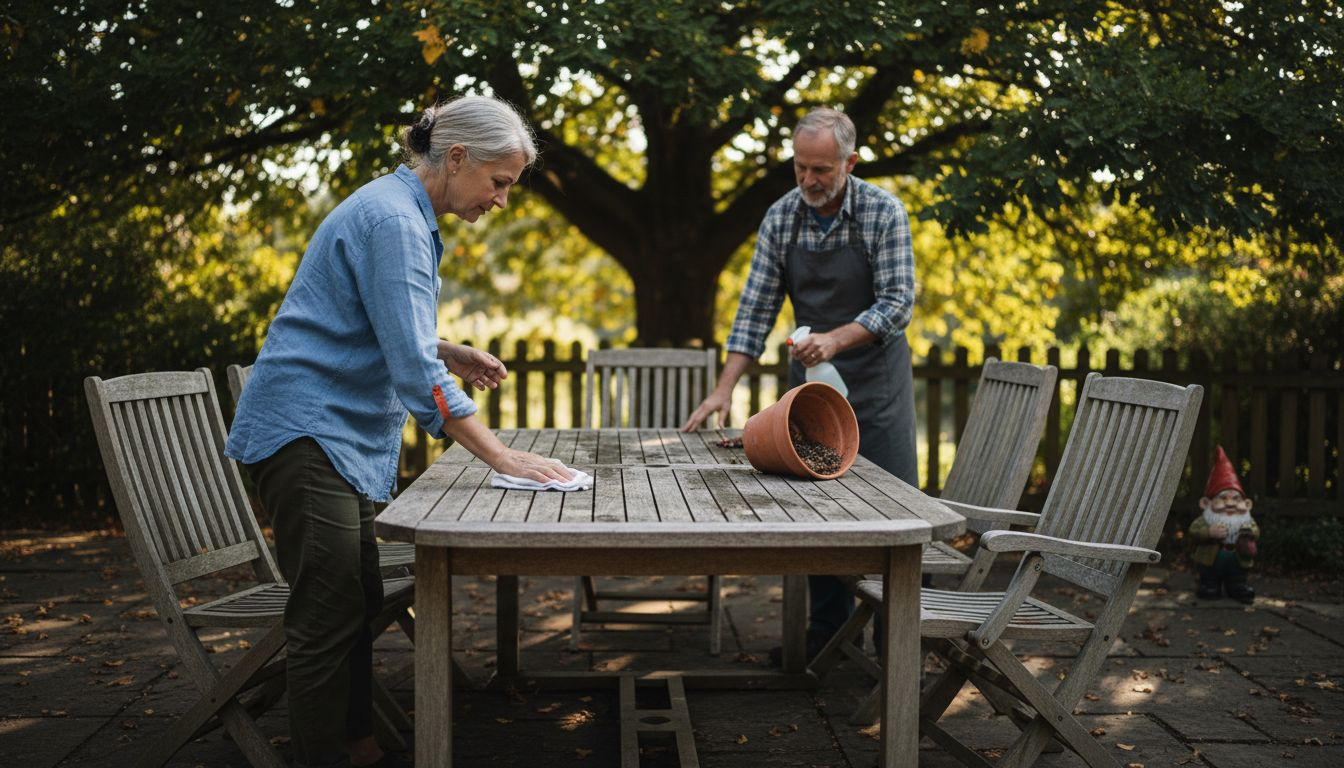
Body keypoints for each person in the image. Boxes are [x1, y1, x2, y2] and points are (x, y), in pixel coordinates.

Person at [225, 95, 573, 768]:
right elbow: (411, 368)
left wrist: (446, 350)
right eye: (499, 182)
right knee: (327, 616)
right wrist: (501, 456)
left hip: (330, 440)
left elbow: (379, 324)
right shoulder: (395, 221)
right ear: (457, 157)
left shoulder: (399, 210)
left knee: (355, 602)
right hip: (306, 436)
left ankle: (360, 747)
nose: (502, 200)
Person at [681, 107, 918, 662]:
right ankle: (826, 637)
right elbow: (754, 311)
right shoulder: (782, 217)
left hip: (876, 384)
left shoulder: (882, 212)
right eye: (800, 168)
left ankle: (895, 644)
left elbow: (898, 302)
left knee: (890, 513)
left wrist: (835, 340)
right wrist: (723, 390)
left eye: (822, 170)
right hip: (809, 391)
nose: (809, 180)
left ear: (850, 163)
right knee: (815, 506)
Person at [1189, 446, 1259, 603]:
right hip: (1212, 557)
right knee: (1210, 575)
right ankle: (1209, 586)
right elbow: (1193, 531)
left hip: (1238, 557)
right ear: (1206, 503)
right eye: (1223, 498)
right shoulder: (1206, 519)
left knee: (1238, 575)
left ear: (1247, 504)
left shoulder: (1246, 520)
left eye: (1236, 499)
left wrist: (1249, 532)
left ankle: (1237, 587)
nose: (1230, 504)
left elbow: (1256, 531)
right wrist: (1208, 532)